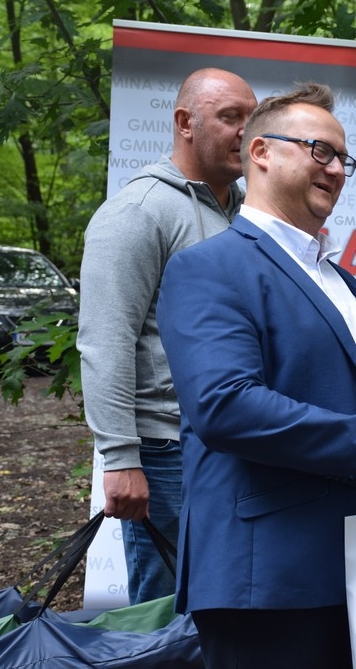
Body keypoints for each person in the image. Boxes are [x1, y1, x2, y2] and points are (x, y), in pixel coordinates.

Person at [155, 82, 356, 668]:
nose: (337, 169)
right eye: (321, 151)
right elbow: (225, 406)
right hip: (270, 582)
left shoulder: (347, 285)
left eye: (343, 159)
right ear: (261, 152)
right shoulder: (208, 268)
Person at [78, 68, 257, 605]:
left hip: (234, 442)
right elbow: (105, 341)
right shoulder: (137, 212)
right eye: (230, 117)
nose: (246, 131)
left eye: (253, 117)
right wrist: (120, 458)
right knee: (167, 615)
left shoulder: (247, 212)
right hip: (165, 452)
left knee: (224, 603)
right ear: (185, 123)